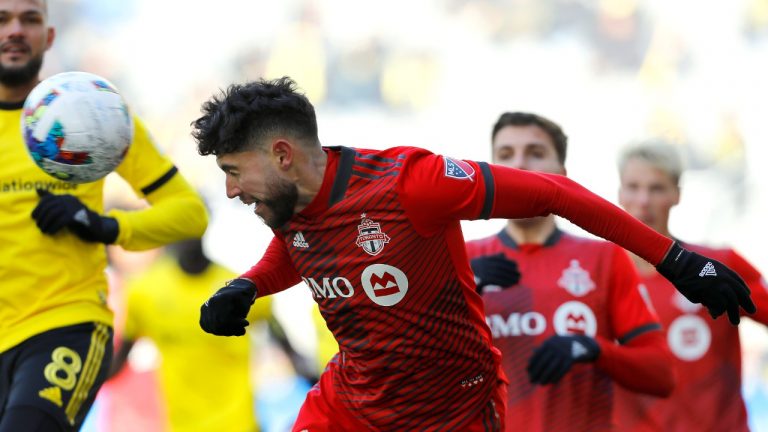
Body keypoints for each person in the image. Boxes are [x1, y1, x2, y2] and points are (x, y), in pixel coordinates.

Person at [190, 76, 754, 432]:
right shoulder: (294, 207)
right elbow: (303, 247)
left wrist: (674, 259)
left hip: (448, 412)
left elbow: (555, 193)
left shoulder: (412, 184)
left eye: (234, 172)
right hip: (352, 402)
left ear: (283, 155)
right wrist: (249, 285)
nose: (232, 191)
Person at [0, 1, 208, 430]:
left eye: (30, 19)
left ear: (49, 37)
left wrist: (104, 226)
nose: (15, 30)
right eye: (2, 20)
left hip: (62, 323)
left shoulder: (92, 111)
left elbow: (188, 214)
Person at [464, 112, 675, 431]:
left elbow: (661, 375)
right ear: (490, 172)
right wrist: (453, 293)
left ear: (562, 175)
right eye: (505, 155)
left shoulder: (603, 258)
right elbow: (413, 370)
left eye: (535, 153)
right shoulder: (462, 259)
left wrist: (593, 349)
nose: (519, 165)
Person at [613, 141, 768, 431]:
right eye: (633, 187)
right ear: (620, 194)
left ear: (676, 195)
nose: (643, 200)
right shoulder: (593, 273)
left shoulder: (718, 265)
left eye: (657, 188)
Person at [108, 237, 312, 432]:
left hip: (239, 424)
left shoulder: (237, 288)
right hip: (184, 426)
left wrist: (312, 374)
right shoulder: (145, 293)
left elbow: (276, 330)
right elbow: (117, 361)